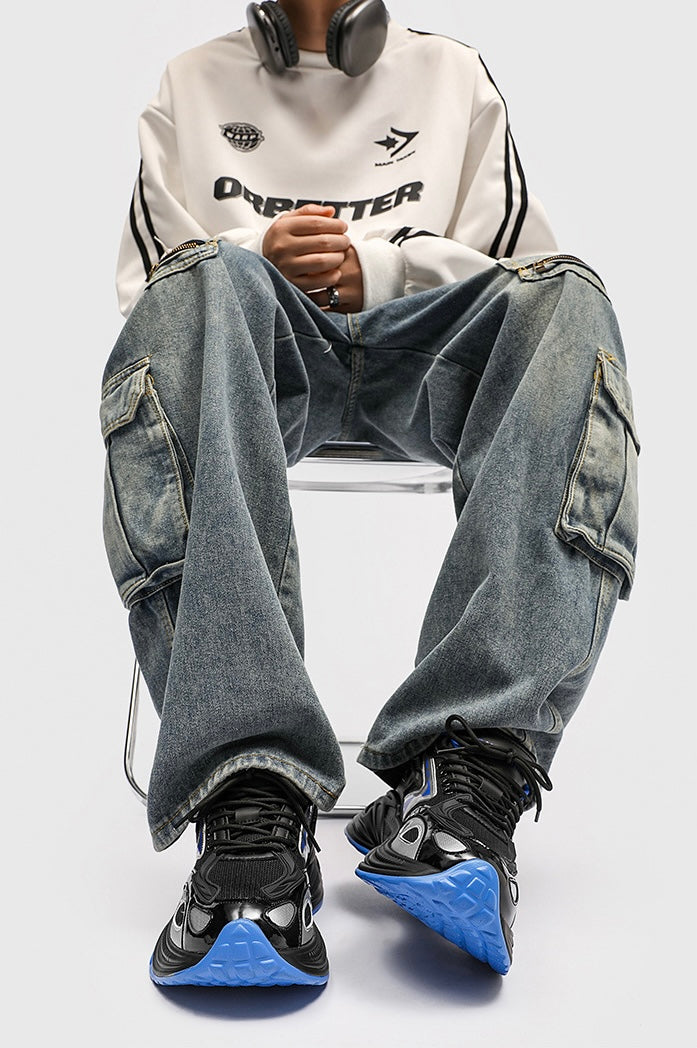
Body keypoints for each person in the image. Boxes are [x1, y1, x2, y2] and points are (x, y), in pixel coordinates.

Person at [100, 0, 640, 986]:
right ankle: (249, 802)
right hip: (255, 349)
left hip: (421, 343)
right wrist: (256, 259)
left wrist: (380, 268)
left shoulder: (453, 76)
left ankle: (465, 783)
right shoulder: (190, 82)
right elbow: (152, 306)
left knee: (571, 298)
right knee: (202, 286)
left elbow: (521, 274)